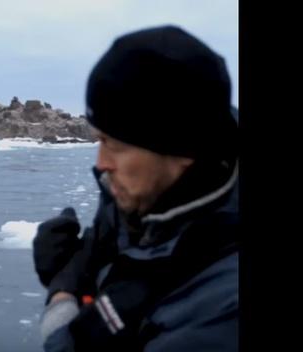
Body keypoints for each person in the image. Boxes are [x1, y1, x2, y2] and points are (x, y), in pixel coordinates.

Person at [33, 25, 238, 352]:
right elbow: (115, 242)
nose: (101, 163)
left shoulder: (225, 311)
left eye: (113, 144)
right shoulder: (142, 192)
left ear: (180, 149)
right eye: (99, 139)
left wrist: (60, 299)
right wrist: (79, 267)